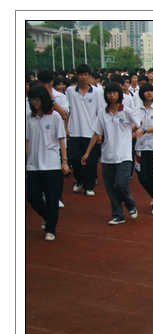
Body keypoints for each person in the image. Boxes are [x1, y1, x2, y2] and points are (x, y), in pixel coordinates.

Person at [80, 83, 141, 225]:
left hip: (124, 155)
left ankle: (130, 203)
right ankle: (118, 215)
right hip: (107, 156)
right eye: (109, 93)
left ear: (119, 94)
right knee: (110, 188)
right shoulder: (102, 112)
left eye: (114, 92)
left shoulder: (126, 111)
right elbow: (96, 133)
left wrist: (132, 130)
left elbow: (139, 123)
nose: (112, 95)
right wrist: (87, 152)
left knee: (120, 184)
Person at [26, 85, 69, 241]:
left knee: (52, 199)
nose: (34, 102)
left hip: (51, 164)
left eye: (37, 99)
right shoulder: (28, 117)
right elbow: (26, 140)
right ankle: (47, 216)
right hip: (33, 165)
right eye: (32, 99)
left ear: (44, 99)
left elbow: (61, 139)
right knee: (32, 197)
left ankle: (51, 229)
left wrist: (64, 161)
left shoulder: (55, 116)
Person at [67, 64, 105, 197]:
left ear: (89, 76)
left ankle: (89, 185)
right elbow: (68, 110)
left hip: (91, 132)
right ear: (77, 75)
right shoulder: (70, 91)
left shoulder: (97, 92)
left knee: (91, 161)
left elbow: (100, 113)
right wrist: (67, 128)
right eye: (81, 74)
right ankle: (80, 180)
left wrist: (100, 133)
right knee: (74, 158)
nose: (83, 77)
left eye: (86, 75)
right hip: (75, 130)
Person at [133, 82, 153, 215]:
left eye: (151, 91)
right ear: (142, 94)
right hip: (141, 146)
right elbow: (133, 125)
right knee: (142, 176)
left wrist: (144, 130)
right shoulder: (136, 109)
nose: (149, 93)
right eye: (146, 91)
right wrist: (132, 131)